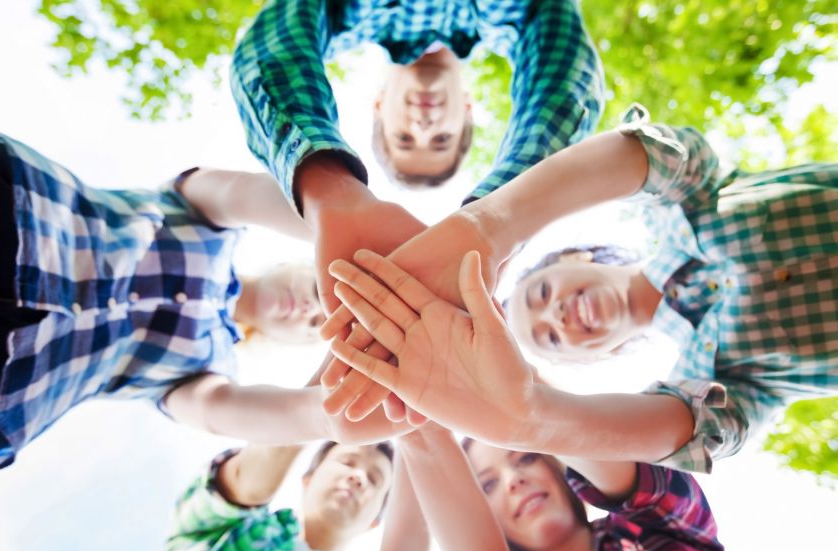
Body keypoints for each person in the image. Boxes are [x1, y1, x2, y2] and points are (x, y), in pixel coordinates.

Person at [321, 106, 837, 471]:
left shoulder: (691, 202)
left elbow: (657, 157)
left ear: (573, 257)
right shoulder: (717, 380)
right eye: (548, 337)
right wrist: (528, 420)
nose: (558, 316)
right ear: (588, 359)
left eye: (541, 295)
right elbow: (700, 432)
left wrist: (490, 225)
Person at [0, 108, 410, 492]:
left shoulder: (209, 368)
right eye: (316, 292)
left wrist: (330, 416)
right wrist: (346, 230)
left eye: (314, 326)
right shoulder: (210, 219)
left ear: (287, 343)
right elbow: (254, 196)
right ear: (294, 263)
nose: (309, 310)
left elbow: (222, 412)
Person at [231, 0, 604, 320]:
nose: (424, 125)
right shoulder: (516, 18)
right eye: (442, 139)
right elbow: (567, 81)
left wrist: (330, 188)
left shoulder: (344, 13)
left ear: (378, 107)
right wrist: (498, 215)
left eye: (405, 138)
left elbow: (269, 49)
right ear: (468, 112)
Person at [396, 424, 783, 551]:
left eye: (526, 458)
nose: (513, 479)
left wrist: (522, 409)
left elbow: (546, 418)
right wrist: (414, 424)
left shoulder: (652, 524)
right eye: (488, 485)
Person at [127, 441, 429, 551]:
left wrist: (419, 436)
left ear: (374, 522)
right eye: (346, 461)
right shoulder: (229, 527)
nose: (358, 476)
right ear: (308, 479)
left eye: (375, 480)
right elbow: (245, 481)